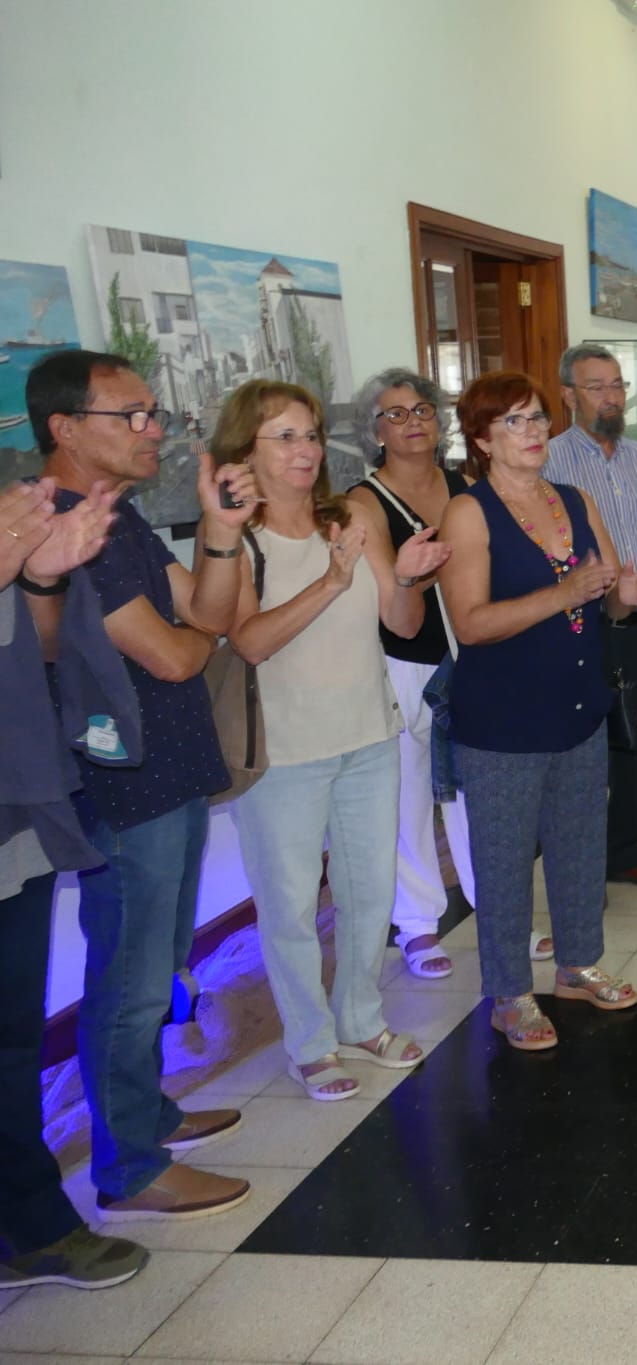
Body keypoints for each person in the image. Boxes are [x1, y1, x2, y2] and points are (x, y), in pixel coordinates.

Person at [29, 349, 254, 1221]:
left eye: (155, 413)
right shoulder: (58, 523)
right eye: (132, 415)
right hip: (124, 788)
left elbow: (206, 607)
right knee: (126, 982)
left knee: (156, 965)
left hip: (170, 773)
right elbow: (175, 650)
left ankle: (148, 1114)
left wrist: (221, 530)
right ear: (66, 428)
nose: (153, 428)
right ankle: (129, 1165)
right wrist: (202, 640)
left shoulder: (115, 517)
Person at [217, 380, 447, 1098]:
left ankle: (361, 1017)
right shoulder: (234, 536)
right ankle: (310, 1043)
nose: (305, 450)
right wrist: (331, 579)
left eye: (311, 434)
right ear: (244, 449)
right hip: (284, 753)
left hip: (369, 735)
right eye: (284, 436)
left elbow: (401, 623)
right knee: (287, 907)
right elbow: (249, 640)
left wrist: (404, 577)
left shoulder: (346, 515)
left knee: (367, 892)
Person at [439, 371, 637, 1052]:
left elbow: (607, 598)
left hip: (578, 707)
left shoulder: (574, 498)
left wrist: (628, 594)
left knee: (580, 847)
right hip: (502, 721)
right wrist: (568, 595)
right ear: (481, 440)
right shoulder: (469, 512)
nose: (531, 433)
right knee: (502, 861)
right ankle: (508, 992)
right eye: (513, 423)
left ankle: (578, 964)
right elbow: (470, 623)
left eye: (535, 419)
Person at [0, 477, 150, 1288]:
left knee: (13, 1043)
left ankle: (31, 1229)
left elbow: (44, 651)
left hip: (13, 803)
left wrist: (41, 578)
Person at [344, 369, 504, 982]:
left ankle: (497, 907)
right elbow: (395, 608)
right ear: (375, 432)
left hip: (475, 657)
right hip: (405, 666)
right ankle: (415, 925)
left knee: (479, 791)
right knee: (409, 794)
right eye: (396, 414)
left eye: (422, 410)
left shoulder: (465, 485)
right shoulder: (364, 502)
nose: (414, 423)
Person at [544, 344, 637, 889]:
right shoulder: (551, 462)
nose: (610, 397)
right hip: (578, 627)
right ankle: (577, 854)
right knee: (584, 744)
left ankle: (626, 848)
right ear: (568, 395)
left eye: (617, 385)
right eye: (595, 386)